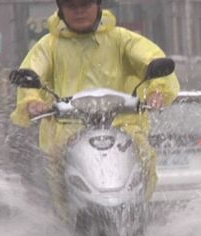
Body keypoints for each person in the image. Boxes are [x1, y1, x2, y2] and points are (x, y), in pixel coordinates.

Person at [10, 0, 180, 223]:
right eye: (71, 6)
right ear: (61, 9)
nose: (79, 11)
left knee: (144, 155)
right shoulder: (48, 45)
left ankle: (139, 214)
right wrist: (32, 101)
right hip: (68, 131)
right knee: (56, 169)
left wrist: (158, 89)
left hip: (122, 127)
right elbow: (33, 71)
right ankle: (66, 223)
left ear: (98, 5)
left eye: (85, 4)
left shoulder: (121, 39)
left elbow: (150, 58)